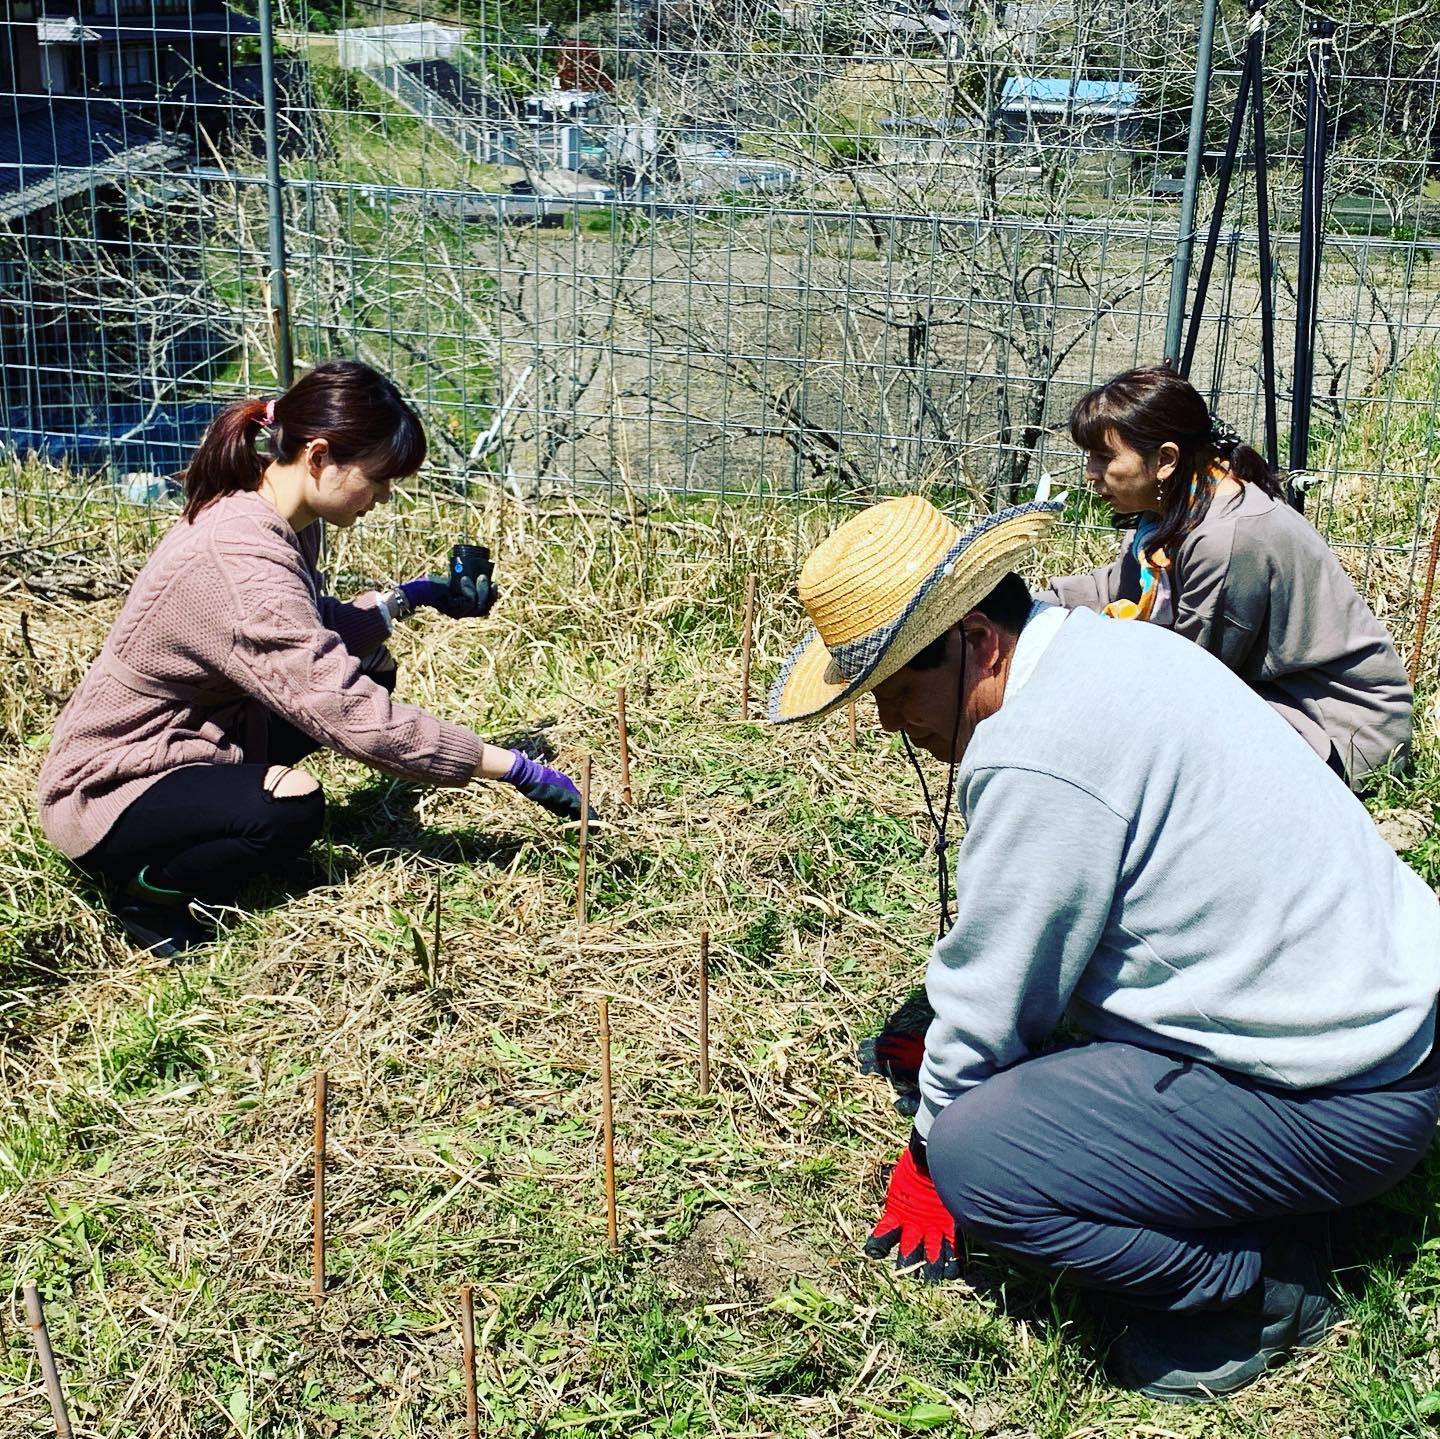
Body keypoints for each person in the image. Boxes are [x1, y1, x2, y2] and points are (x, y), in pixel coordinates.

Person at [767, 494, 1440, 1402]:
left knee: (984, 1157)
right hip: (1395, 1013)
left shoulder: (1038, 753)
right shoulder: (1107, 646)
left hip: (1346, 1092)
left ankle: (1251, 1291)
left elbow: (999, 986)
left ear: (977, 639)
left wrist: (929, 1149)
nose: (890, 725)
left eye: (896, 689)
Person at [37, 360, 584, 958]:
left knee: (371, 660)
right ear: (320, 456)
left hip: (201, 735)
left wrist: (416, 596)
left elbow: (301, 629)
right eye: (378, 480)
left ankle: (218, 820)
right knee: (290, 808)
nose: (382, 498)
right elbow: (338, 704)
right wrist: (507, 766)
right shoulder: (242, 555)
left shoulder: (273, 513)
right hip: (112, 783)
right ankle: (150, 895)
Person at [1042, 364, 1412, 788]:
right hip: (1274, 700)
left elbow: (1193, 676)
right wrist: (1024, 607)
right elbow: (1116, 586)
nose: (1091, 472)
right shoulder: (1176, 509)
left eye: (1104, 458)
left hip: (1340, 728)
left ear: (1165, 460)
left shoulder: (1227, 538)